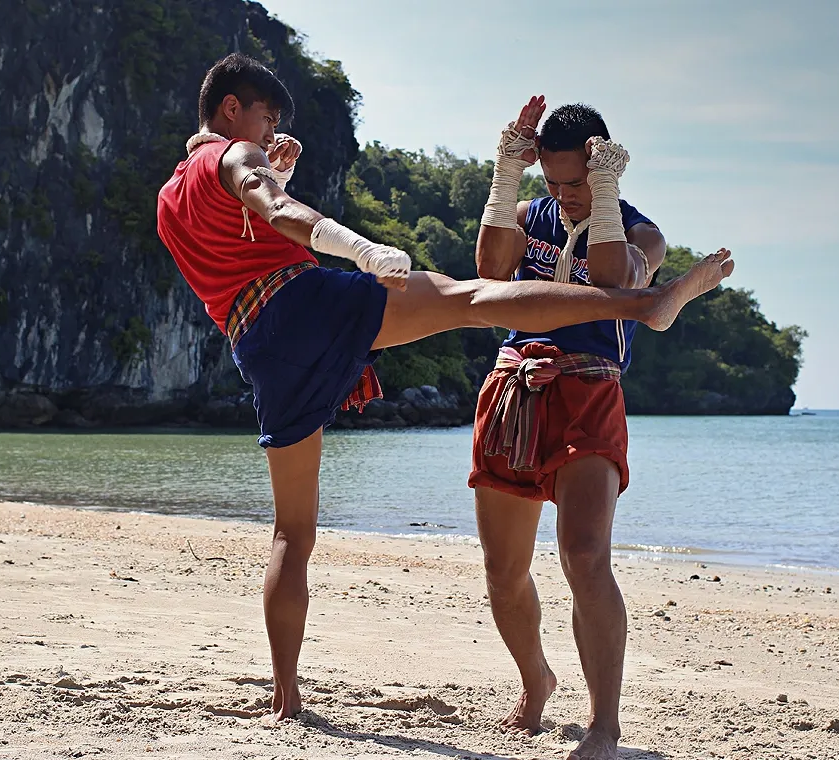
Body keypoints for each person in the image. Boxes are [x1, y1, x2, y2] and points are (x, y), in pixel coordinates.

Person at [155, 53, 734, 724]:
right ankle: (652, 309)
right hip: (325, 313)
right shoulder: (229, 159)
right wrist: (359, 248)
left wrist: (275, 168)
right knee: (472, 297)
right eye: (265, 117)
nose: (269, 130)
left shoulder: (172, 195)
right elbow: (272, 203)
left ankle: (286, 698)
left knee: (293, 532)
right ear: (231, 110)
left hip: (258, 345)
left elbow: (233, 238)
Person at [470, 97, 691, 760]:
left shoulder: (642, 233)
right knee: (503, 571)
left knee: (585, 557)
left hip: (590, 388)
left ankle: (604, 725)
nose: (562, 196)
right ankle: (536, 679)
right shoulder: (527, 213)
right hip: (515, 386)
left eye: (577, 182)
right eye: (552, 182)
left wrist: (602, 198)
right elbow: (489, 272)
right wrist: (505, 176)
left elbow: (610, 280)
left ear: (601, 167)